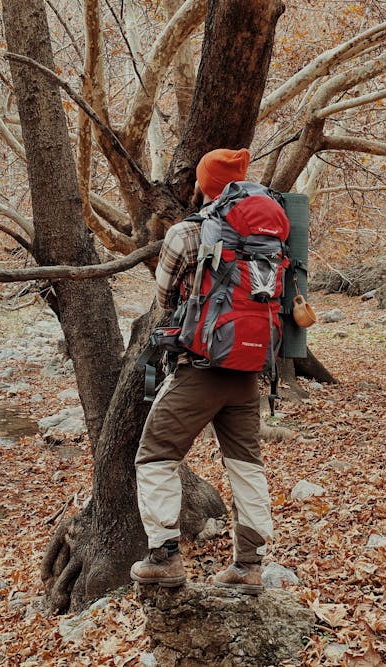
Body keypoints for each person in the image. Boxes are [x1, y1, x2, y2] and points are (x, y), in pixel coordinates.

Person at [130, 148, 273, 595]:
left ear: (204, 183)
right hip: (249, 374)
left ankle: (164, 558)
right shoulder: (271, 236)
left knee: (154, 456)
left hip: (200, 370)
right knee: (246, 466)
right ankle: (249, 566)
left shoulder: (187, 233)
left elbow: (165, 296)